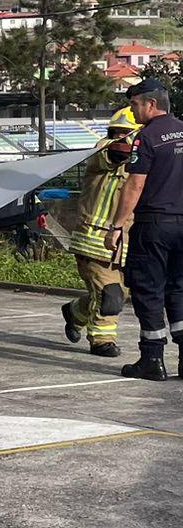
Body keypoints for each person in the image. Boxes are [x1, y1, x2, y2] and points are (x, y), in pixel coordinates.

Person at [106, 79, 183, 379]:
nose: (132, 110)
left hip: (155, 224)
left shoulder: (147, 137)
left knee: (149, 290)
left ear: (151, 104)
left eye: (135, 104)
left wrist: (116, 226)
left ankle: (152, 359)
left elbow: (135, 184)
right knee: (179, 289)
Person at [61, 107, 134, 360]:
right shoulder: (105, 149)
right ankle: (102, 341)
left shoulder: (141, 163)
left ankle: (75, 313)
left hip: (121, 242)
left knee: (119, 293)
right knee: (110, 295)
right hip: (94, 240)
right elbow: (116, 151)